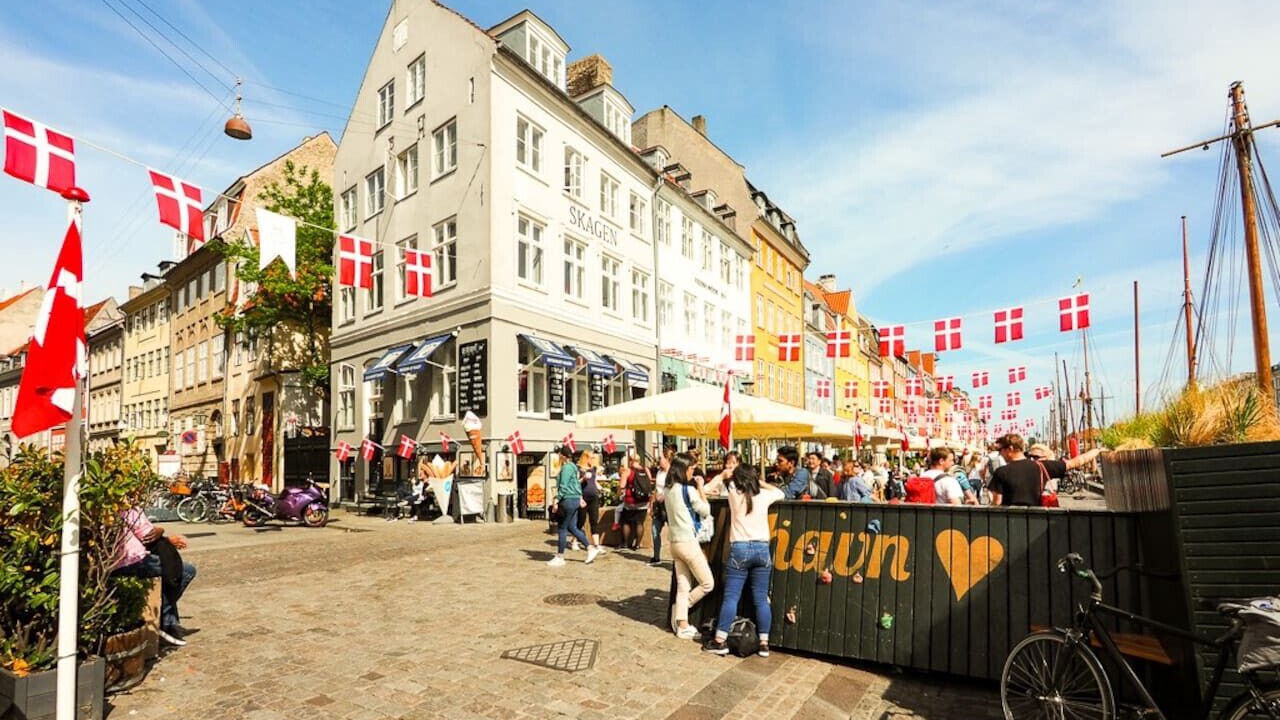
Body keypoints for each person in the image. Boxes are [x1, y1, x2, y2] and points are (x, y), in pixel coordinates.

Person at [704, 465, 784, 657]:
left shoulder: (733, 492)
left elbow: (706, 490)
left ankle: (720, 641)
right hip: (762, 549)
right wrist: (760, 482)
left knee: (731, 597)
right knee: (761, 599)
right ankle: (764, 643)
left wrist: (723, 474)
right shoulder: (764, 496)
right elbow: (780, 492)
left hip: (740, 548)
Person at [112, 506, 196, 647]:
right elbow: (147, 535)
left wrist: (162, 535)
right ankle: (162, 621)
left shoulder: (120, 505)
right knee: (182, 571)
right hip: (132, 560)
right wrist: (161, 532)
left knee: (171, 569)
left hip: (131, 557)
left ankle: (169, 623)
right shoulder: (126, 506)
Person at [664, 452, 714, 640]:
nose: (694, 472)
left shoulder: (668, 490)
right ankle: (681, 611)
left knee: (683, 586)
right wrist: (701, 488)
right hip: (688, 542)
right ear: (684, 469)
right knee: (708, 583)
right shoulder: (688, 490)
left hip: (675, 542)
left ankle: (682, 623)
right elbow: (705, 510)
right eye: (692, 468)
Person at [987, 434, 1104, 507]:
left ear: (1010, 449)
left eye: (1001, 450)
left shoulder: (1001, 472)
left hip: (1010, 521)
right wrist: (1098, 450)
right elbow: (1077, 461)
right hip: (1037, 518)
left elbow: (997, 502)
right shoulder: (1040, 466)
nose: (1000, 454)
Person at [548, 447, 598, 566]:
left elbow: (564, 486)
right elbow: (576, 484)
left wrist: (556, 500)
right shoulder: (574, 467)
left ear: (563, 456)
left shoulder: (566, 468)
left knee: (562, 528)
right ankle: (590, 548)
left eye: (559, 455)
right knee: (573, 527)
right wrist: (580, 497)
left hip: (568, 500)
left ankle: (560, 557)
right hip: (574, 499)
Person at [619, 452, 652, 551]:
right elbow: (649, 484)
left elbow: (622, 486)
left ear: (630, 460)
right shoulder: (646, 470)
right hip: (643, 501)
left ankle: (625, 543)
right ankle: (637, 544)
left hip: (630, 501)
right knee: (639, 523)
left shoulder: (628, 471)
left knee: (625, 522)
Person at [576, 450, 606, 551]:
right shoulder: (579, 469)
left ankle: (596, 545)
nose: (592, 460)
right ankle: (574, 540)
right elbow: (576, 483)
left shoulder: (593, 468)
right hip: (584, 498)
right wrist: (583, 478)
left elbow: (594, 481)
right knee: (581, 521)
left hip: (594, 497)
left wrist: (601, 488)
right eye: (591, 457)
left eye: (593, 458)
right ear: (585, 458)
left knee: (594, 520)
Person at [648, 450, 669, 567]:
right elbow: (655, 489)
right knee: (655, 530)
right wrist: (651, 504)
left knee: (674, 533)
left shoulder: (672, 473)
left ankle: (677, 558)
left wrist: (665, 496)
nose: (659, 460)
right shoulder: (659, 473)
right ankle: (656, 556)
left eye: (661, 458)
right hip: (658, 506)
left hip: (669, 506)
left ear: (667, 460)